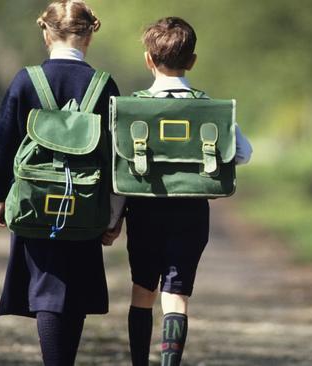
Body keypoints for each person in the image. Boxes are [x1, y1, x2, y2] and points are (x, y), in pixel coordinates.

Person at [105, 17, 253, 366]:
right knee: (177, 296)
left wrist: (112, 221)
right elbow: (243, 153)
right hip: (191, 213)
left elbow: (119, 172)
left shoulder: (133, 108)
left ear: (148, 60)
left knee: (142, 291)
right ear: (193, 61)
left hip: (144, 212)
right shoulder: (208, 110)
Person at [0, 1, 119, 365]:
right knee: (74, 291)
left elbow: (1, 144)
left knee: (47, 289)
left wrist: (1, 194)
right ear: (90, 33)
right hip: (87, 204)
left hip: (35, 201)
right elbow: (116, 157)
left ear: (46, 32)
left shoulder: (26, 80)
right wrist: (115, 215)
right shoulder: (104, 85)